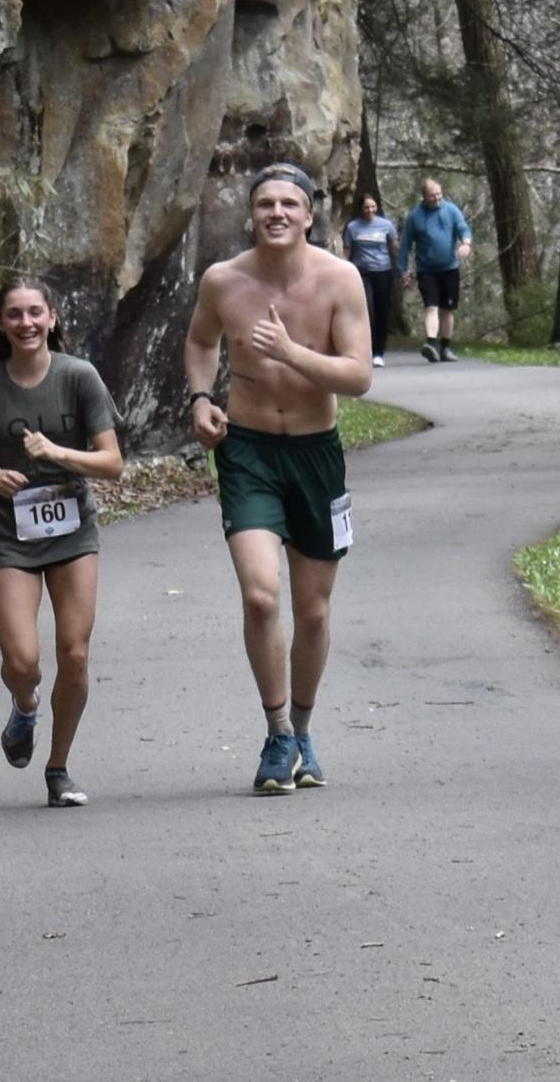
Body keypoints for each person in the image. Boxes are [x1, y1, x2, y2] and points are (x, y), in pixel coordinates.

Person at [184, 162, 372, 794]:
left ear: (309, 214)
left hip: (318, 455)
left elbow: (358, 377)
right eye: (265, 203)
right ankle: (277, 734)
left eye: (289, 203)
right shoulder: (224, 280)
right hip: (249, 453)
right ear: (252, 213)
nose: (277, 214)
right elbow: (201, 342)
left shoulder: (339, 279)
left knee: (313, 612)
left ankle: (304, 728)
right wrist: (200, 399)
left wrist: (290, 352)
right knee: (262, 596)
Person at [0, 276, 123, 808]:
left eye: (35, 312)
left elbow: (112, 462)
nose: (26, 323)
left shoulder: (79, 377)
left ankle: (58, 768)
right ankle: (24, 706)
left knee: (74, 651)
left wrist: (58, 453)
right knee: (22, 660)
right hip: (11, 532)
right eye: (14, 314)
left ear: (53, 318)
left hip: (71, 530)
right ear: (1, 323)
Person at [396, 177, 472, 363]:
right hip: (427, 270)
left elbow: (463, 229)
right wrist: (402, 270)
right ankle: (430, 343)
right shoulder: (415, 216)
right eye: (432, 196)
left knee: (447, 310)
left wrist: (466, 244)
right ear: (424, 196)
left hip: (449, 268)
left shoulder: (451, 210)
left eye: (439, 194)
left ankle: (445, 348)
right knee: (431, 307)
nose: (437, 198)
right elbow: (405, 245)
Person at [342, 194, 398, 367]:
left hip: (383, 272)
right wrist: (342, 271)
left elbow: (394, 248)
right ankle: (365, 349)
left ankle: (379, 352)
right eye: (367, 207)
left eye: (373, 207)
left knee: (382, 312)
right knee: (368, 311)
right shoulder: (353, 227)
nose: (370, 210)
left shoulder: (386, 225)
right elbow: (346, 252)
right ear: (360, 209)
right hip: (361, 273)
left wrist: (404, 269)